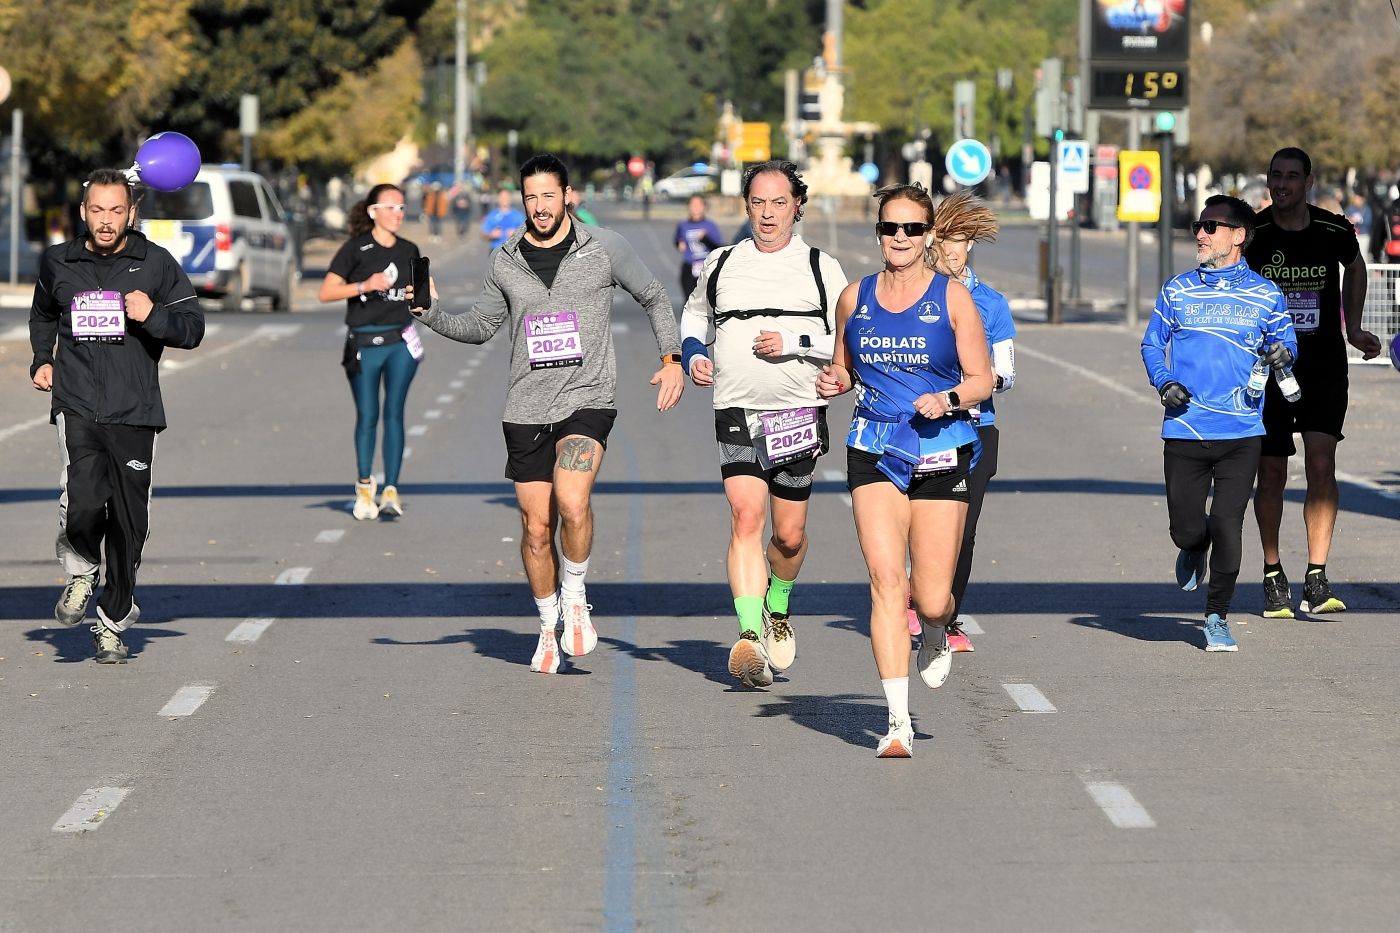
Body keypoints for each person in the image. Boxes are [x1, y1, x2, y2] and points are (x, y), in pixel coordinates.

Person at [411, 154, 685, 674]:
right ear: (523, 200)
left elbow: (653, 296)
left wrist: (671, 359)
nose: (540, 206)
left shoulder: (603, 248)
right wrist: (428, 313)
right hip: (525, 408)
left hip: (588, 397)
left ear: (567, 196)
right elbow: (480, 326)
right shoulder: (505, 260)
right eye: (530, 197)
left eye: (548, 196)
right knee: (537, 529)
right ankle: (547, 624)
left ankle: (576, 594)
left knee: (572, 499)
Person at [816, 183, 992, 758]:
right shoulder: (854, 298)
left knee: (931, 595)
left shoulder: (953, 299)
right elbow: (842, 367)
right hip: (875, 448)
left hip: (941, 448)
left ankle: (937, 629)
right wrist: (834, 381)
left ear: (929, 236)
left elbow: (982, 379)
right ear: (878, 234)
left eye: (911, 229)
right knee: (886, 581)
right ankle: (897, 720)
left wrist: (950, 399)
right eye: (889, 229)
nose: (899, 239)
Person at [679, 160, 848, 689]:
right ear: (746, 206)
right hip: (736, 406)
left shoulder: (822, 267)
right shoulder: (723, 262)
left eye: (779, 203)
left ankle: (778, 601)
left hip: (797, 412)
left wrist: (807, 351)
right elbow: (694, 317)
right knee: (745, 515)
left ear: (798, 205)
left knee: (789, 536)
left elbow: (850, 338)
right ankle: (749, 636)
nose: (768, 214)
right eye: (759, 203)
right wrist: (692, 355)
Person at [28, 168, 205, 663]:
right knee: (83, 499)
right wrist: (43, 359)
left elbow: (193, 329)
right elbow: (43, 314)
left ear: (132, 213)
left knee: (129, 525)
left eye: (116, 211)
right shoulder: (58, 262)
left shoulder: (156, 263)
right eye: (97, 210)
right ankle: (82, 568)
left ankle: (111, 622)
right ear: (83, 212)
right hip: (77, 400)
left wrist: (152, 315)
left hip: (135, 409)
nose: (106, 221)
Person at [1143, 196, 1297, 651]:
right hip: (1186, 429)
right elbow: (1153, 345)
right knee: (1188, 529)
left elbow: (1286, 342)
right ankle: (1193, 548)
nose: (1201, 234)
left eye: (1211, 226)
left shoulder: (1266, 293)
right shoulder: (1177, 290)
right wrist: (1164, 380)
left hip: (1241, 433)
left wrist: (1284, 353)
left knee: (1228, 525)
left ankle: (1217, 615)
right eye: (1199, 225)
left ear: (1238, 236)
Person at [1244, 147, 1381, 618]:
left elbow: (1357, 266)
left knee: (1322, 462)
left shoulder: (1332, 229)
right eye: (1275, 176)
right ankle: (1271, 571)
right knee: (1273, 471)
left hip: (1322, 363)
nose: (1281, 184)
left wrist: (1354, 326)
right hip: (1266, 367)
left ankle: (1317, 578)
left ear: (1308, 183)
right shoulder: (1254, 233)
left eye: (1291, 177)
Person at [928, 190, 1016, 653]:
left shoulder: (993, 303)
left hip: (977, 425)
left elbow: (1008, 373)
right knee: (920, 522)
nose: (952, 249)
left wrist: (977, 382)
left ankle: (948, 616)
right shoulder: (918, 293)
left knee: (963, 526)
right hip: (921, 426)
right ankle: (914, 592)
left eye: (960, 239)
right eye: (944, 238)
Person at [318, 183, 423, 521]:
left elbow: (424, 296)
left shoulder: (410, 248)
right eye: (390, 207)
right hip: (364, 343)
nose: (397, 214)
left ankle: (391, 488)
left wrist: (425, 292)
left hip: (401, 343)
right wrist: (364, 285)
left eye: (401, 208)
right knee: (368, 415)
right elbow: (326, 292)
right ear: (373, 211)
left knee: (395, 412)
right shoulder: (355, 249)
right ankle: (365, 488)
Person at [674, 195, 724, 302]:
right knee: (689, 301)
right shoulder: (683, 225)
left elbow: (718, 247)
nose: (695, 207)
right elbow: (677, 239)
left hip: (707, 267)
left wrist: (705, 239)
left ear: (703, 207)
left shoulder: (710, 225)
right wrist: (679, 243)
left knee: (707, 302)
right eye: (693, 204)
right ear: (688, 207)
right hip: (689, 267)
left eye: (698, 204)